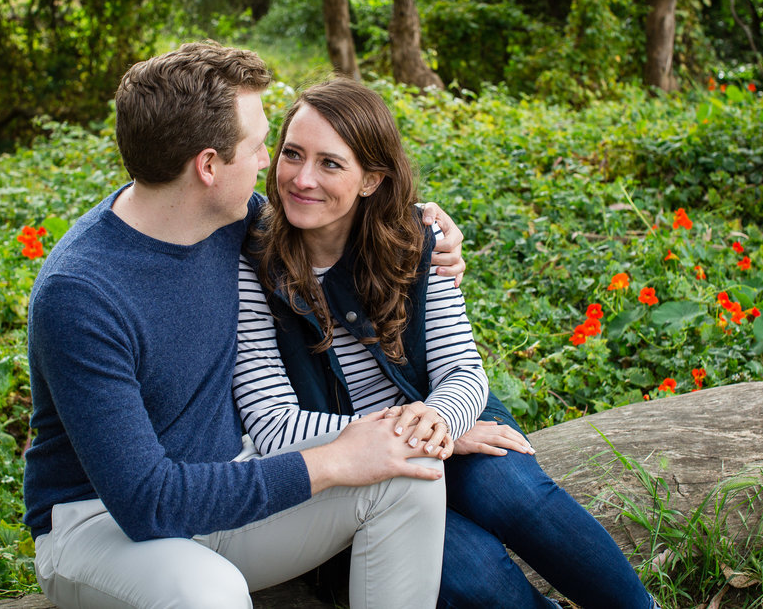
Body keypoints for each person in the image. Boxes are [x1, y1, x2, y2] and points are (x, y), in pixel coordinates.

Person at [22, 41, 469, 609]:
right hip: (102, 525)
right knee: (212, 593)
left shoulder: (237, 219)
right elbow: (147, 502)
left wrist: (429, 233)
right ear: (208, 166)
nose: (267, 163)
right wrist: (333, 461)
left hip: (230, 485)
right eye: (260, 146)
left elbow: (345, 228)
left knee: (406, 473)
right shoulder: (81, 296)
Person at [234, 77, 660, 609]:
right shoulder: (252, 259)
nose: (301, 178)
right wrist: (424, 437)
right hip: (343, 469)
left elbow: (462, 370)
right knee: (469, 570)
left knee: (516, 495)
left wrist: (439, 424)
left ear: (371, 179)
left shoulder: (415, 240)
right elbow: (275, 427)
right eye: (292, 154)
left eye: (330, 163)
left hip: (449, 416)